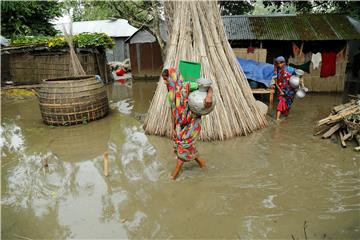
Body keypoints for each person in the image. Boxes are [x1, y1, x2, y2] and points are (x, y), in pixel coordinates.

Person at [162, 67, 213, 180]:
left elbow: (208, 87)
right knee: (184, 145)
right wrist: (174, 129)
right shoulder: (171, 93)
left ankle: (173, 176)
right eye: (164, 80)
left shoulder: (187, 86)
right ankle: (204, 167)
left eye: (166, 79)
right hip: (183, 124)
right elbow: (173, 111)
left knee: (183, 146)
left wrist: (209, 96)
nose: (165, 82)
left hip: (194, 122)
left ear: (172, 77)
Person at [270, 56, 303, 121]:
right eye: (277, 63)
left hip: (290, 91)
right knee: (280, 103)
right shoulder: (276, 70)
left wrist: (301, 82)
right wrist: (280, 91)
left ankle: (285, 117)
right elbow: (276, 82)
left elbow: (300, 74)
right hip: (281, 90)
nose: (279, 65)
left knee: (288, 106)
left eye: (280, 63)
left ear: (284, 63)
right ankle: (277, 120)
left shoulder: (290, 69)